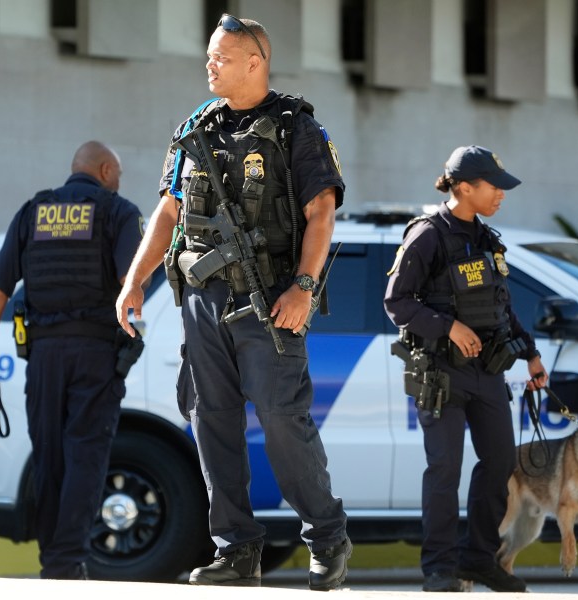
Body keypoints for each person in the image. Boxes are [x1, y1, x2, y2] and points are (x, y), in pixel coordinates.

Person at [115, 14, 351, 591]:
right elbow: (169, 212)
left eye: (221, 58)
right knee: (211, 421)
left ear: (255, 62)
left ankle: (327, 537)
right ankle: (238, 549)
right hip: (202, 299)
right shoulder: (196, 126)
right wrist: (133, 280)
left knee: (281, 421)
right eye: (208, 57)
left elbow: (322, 211)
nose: (209, 66)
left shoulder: (296, 127)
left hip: (270, 299)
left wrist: (304, 287)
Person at [384, 145, 549, 593]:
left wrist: (531, 354)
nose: (501, 195)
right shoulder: (427, 235)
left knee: (499, 463)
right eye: (493, 187)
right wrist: (448, 327)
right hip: (441, 372)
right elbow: (397, 303)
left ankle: (478, 560)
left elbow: (501, 307)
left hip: (488, 372)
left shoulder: (487, 239)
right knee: (444, 468)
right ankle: (439, 566)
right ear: (463, 187)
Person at [0, 141, 144, 579]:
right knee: (85, 455)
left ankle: (53, 559)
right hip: (95, 353)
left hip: (44, 354)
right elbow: (131, 278)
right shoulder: (118, 211)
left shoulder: (35, 211)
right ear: (107, 170)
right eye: (119, 174)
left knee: (50, 456)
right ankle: (65, 561)